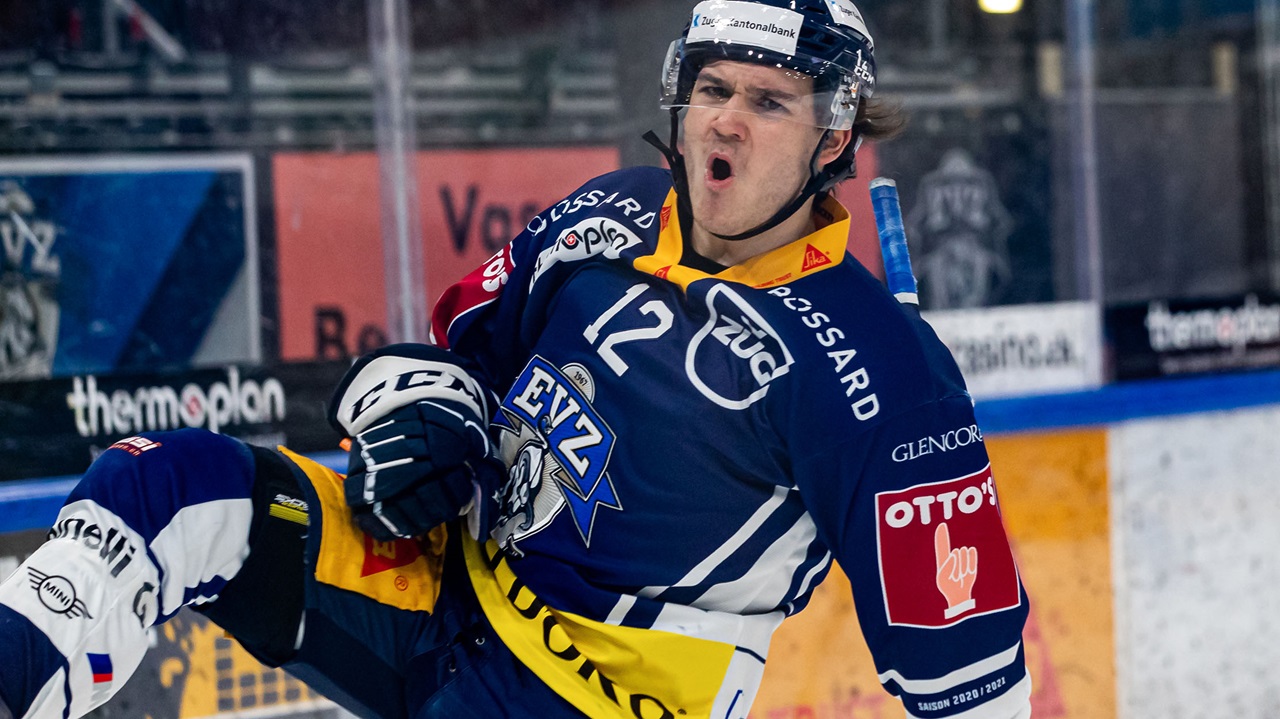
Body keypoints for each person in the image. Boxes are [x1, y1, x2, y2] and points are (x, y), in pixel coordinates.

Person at [0, 1, 1032, 717]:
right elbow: (446, 355)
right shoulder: (612, 209)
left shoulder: (874, 369)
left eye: (769, 102)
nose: (725, 116)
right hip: (436, 585)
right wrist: (417, 406)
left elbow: (971, 676)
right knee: (169, 486)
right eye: (713, 85)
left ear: (833, 136)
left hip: (590, 695)